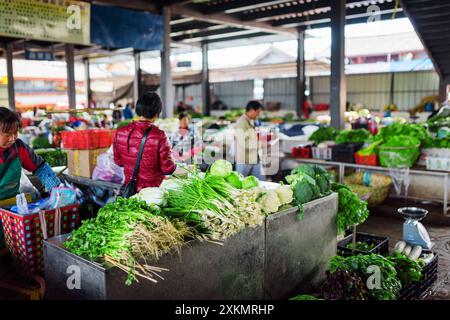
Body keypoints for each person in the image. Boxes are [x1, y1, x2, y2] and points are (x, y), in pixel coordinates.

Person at [113, 92, 176, 191]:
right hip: (152, 193)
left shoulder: (120, 132)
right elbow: (167, 169)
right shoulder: (160, 135)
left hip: (130, 189)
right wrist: (174, 161)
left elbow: (118, 162)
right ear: (156, 114)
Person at [0, 107, 61, 202]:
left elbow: (41, 168)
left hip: (13, 204)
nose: (12, 138)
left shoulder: (19, 147)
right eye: (7, 134)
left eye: (15, 132)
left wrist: (56, 190)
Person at [233, 101, 264, 180]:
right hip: (244, 160)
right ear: (252, 110)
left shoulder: (249, 121)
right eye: (257, 112)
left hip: (253, 158)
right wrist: (261, 144)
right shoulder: (241, 123)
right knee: (240, 183)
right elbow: (243, 143)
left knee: (261, 181)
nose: (258, 114)